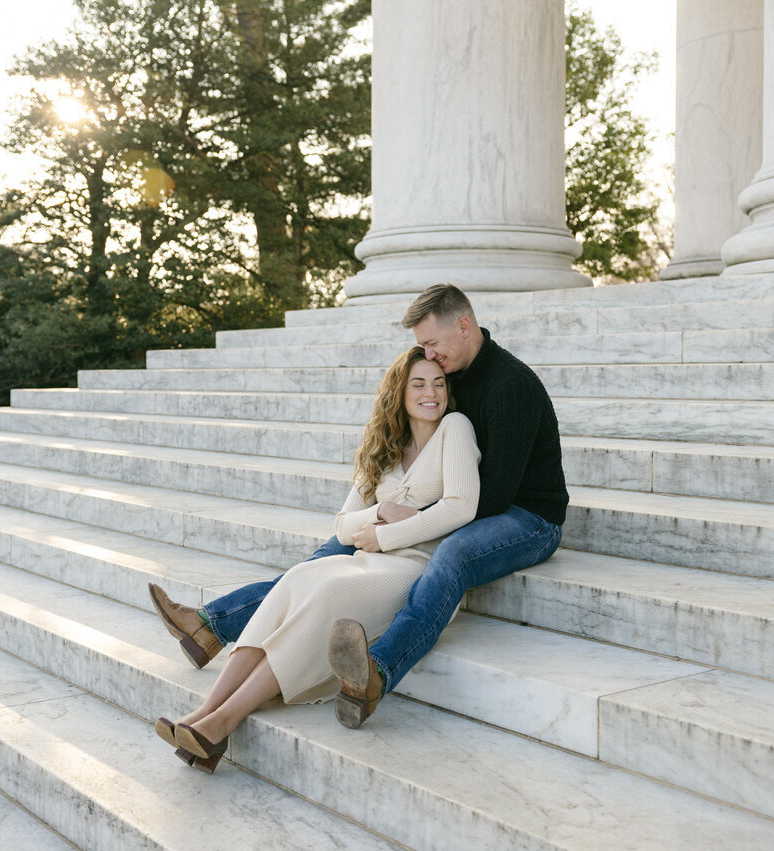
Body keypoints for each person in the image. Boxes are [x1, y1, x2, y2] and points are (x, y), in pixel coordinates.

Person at [149, 282, 566, 730]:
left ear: (464, 327)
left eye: (432, 345)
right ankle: (212, 626)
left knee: (454, 554)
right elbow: (392, 483)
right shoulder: (451, 372)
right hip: (448, 507)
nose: (430, 363)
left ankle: (379, 670)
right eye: (422, 357)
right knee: (319, 562)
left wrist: (396, 530)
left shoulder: (510, 386)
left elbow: (490, 499)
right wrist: (380, 518)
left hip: (527, 516)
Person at [153, 344, 480, 771]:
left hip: (416, 567)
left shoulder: (455, 427)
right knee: (297, 580)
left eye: (438, 383)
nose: (430, 392)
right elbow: (344, 524)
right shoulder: (385, 446)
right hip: (368, 559)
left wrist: (385, 537)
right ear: (399, 392)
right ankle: (203, 715)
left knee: (325, 591)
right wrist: (380, 511)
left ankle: (223, 723)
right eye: (418, 383)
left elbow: (460, 507)